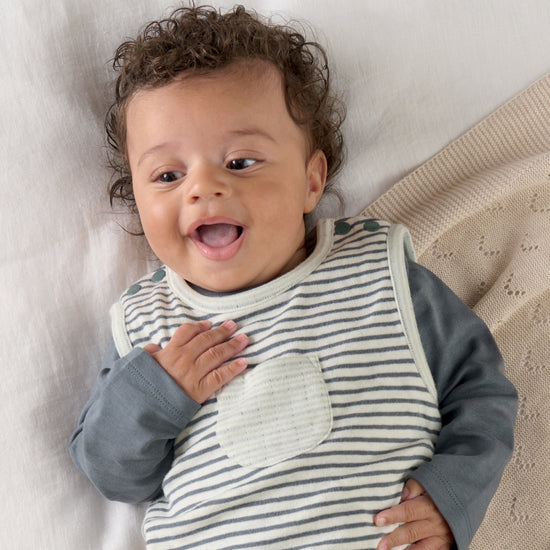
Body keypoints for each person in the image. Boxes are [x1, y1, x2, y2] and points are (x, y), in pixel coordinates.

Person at [69, 5, 517, 550]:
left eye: (239, 163)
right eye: (168, 174)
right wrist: (154, 393)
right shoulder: (150, 327)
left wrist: (454, 497)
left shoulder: (377, 276)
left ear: (311, 181)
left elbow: (482, 390)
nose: (202, 188)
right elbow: (115, 475)